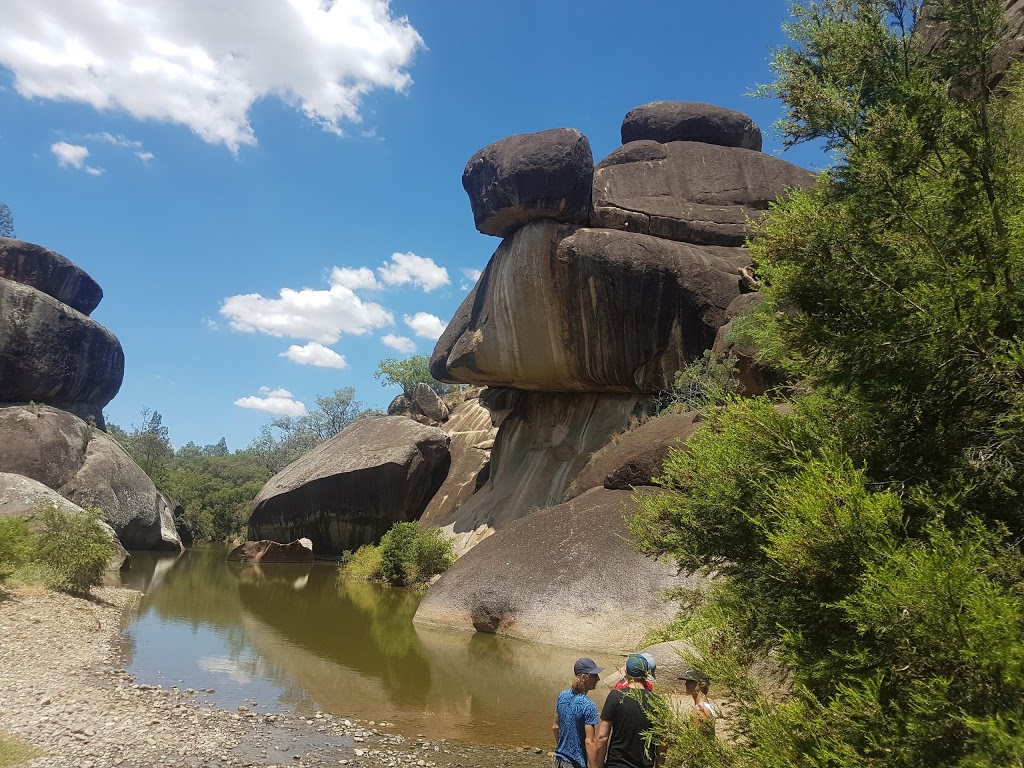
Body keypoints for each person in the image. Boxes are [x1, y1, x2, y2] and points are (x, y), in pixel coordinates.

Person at [597, 654, 660, 768]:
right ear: (646, 674)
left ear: (626, 672)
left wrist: (599, 764)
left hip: (617, 764)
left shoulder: (615, 696)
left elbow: (602, 736)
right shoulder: (657, 701)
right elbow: (661, 742)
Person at [553, 657, 604, 768]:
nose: (598, 679)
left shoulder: (562, 696)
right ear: (585, 677)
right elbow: (589, 742)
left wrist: (562, 748)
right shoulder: (589, 706)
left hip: (559, 759)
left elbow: (555, 727)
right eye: (594, 675)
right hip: (575, 763)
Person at [681, 668, 720, 735]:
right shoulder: (707, 706)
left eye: (690, 682)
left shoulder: (700, 709)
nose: (686, 684)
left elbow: (698, 737)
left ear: (701, 685)